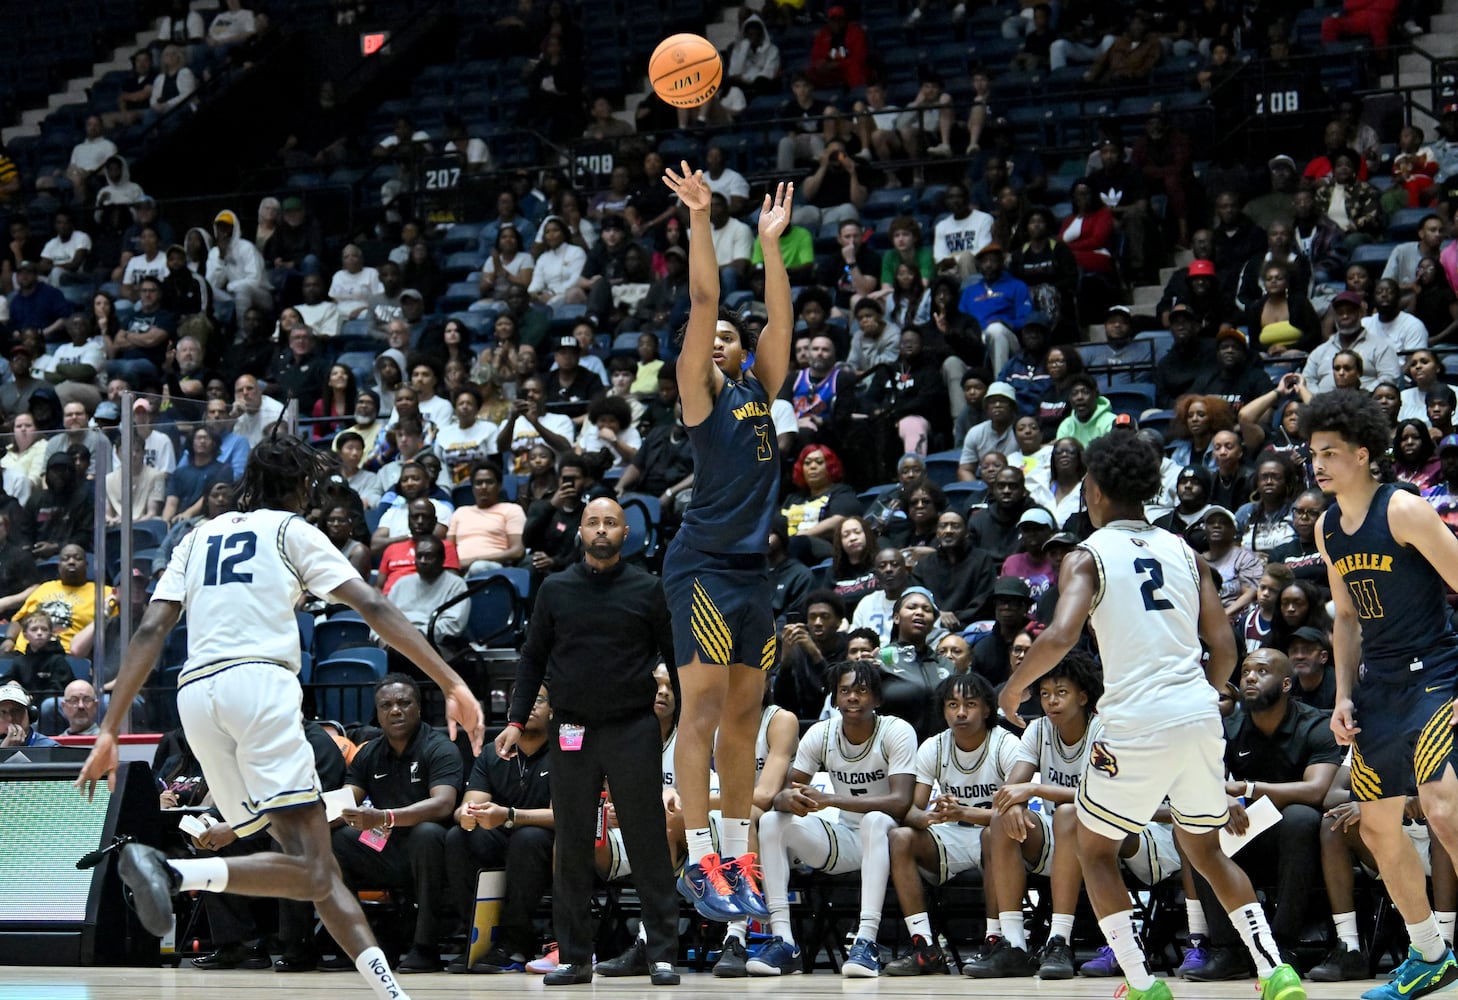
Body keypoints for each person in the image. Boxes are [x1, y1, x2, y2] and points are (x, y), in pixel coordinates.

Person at [76, 432, 484, 1000]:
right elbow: (372, 603)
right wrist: (451, 680)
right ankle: (174, 875)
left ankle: (393, 994)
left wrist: (109, 729)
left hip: (195, 696)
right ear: (298, 488)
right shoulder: (291, 530)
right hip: (258, 686)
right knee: (315, 869)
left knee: (310, 870)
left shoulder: (197, 536)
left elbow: (150, 629)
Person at [998, 428, 1305, 1000]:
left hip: (1134, 722)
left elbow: (1062, 633)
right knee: (1207, 849)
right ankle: (1275, 971)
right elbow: (1226, 647)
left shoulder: (1087, 556)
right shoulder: (1186, 554)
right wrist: (1195, 700)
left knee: (1092, 849)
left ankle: (1142, 986)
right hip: (1197, 713)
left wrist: (1013, 689)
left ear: (1091, 490)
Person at [657, 165, 794, 924]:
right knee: (701, 711)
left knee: (746, 718)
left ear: (743, 354)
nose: (717, 341)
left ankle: (739, 858)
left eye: (729, 339)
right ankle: (702, 856)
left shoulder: (761, 392)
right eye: (710, 338)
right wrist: (702, 219)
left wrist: (771, 245)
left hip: (752, 573)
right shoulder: (699, 392)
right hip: (702, 566)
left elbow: (781, 326)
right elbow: (704, 299)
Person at [1305, 388, 1458, 999]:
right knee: (1375, 828)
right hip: (1380, 687)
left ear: (1365, 454)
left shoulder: (1405, 510)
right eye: (1312, 452)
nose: (1317, 463)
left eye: (1330, 452)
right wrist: (1342, 696)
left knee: (1442, 805)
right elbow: (1344, 617)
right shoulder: (1326, 527)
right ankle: (1429, 954)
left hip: (1438, 674)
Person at [493, 497, 681, 986]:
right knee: (573, 843)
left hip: (632, 728)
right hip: (572, 729)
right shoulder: (555, 589)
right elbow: (532, 658)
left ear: (626, 533)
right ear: (580, 530)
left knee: (646, 841)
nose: (601, 530)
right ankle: (576, 957)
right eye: (593, 522)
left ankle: (661, 952)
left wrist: (686, 719)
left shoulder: (649, 589)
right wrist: (516, 720)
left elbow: (676, 656)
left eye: (611, 523)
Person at [748, 660, 917, 978]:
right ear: (836, 699)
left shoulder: (896, 731)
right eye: (845, 691)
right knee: (771, 822)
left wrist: (832, 799)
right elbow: (783, 791)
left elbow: (900, 803)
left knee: (876, 820)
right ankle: (784, 942)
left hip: (890, 841)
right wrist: (789, 799)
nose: (853, 697)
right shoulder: (821, 733)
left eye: (862, 691)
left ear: (877, 700)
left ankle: (865, 941)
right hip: (845, 839)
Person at [331, 674, 462, 973]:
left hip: (435, 851)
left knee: (426, 833)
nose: (395, 710)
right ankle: (361, 944)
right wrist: (313, 821)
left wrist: (386, 816)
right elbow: (346, 801)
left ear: (418, 708)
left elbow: (443, 804)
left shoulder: (439, 747)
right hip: (385, 847)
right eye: (386, 705)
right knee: (335, 843)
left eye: (404, 703)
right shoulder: (368, 753)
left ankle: (426, 947)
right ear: (377, 713)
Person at [445, 684, 555, 974]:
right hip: (503, 834)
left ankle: (515, 943)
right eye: (521, 701)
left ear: (553, 711)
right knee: (457, 836)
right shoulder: (494, 752)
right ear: (510, 712)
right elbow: (467, 806)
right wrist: (465, 815)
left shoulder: (564, 750)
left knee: (528, 839)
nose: (529, 705)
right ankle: (477, 939)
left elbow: (565, 815)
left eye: (538, 700)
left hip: (551, 844)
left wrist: (509, 815)